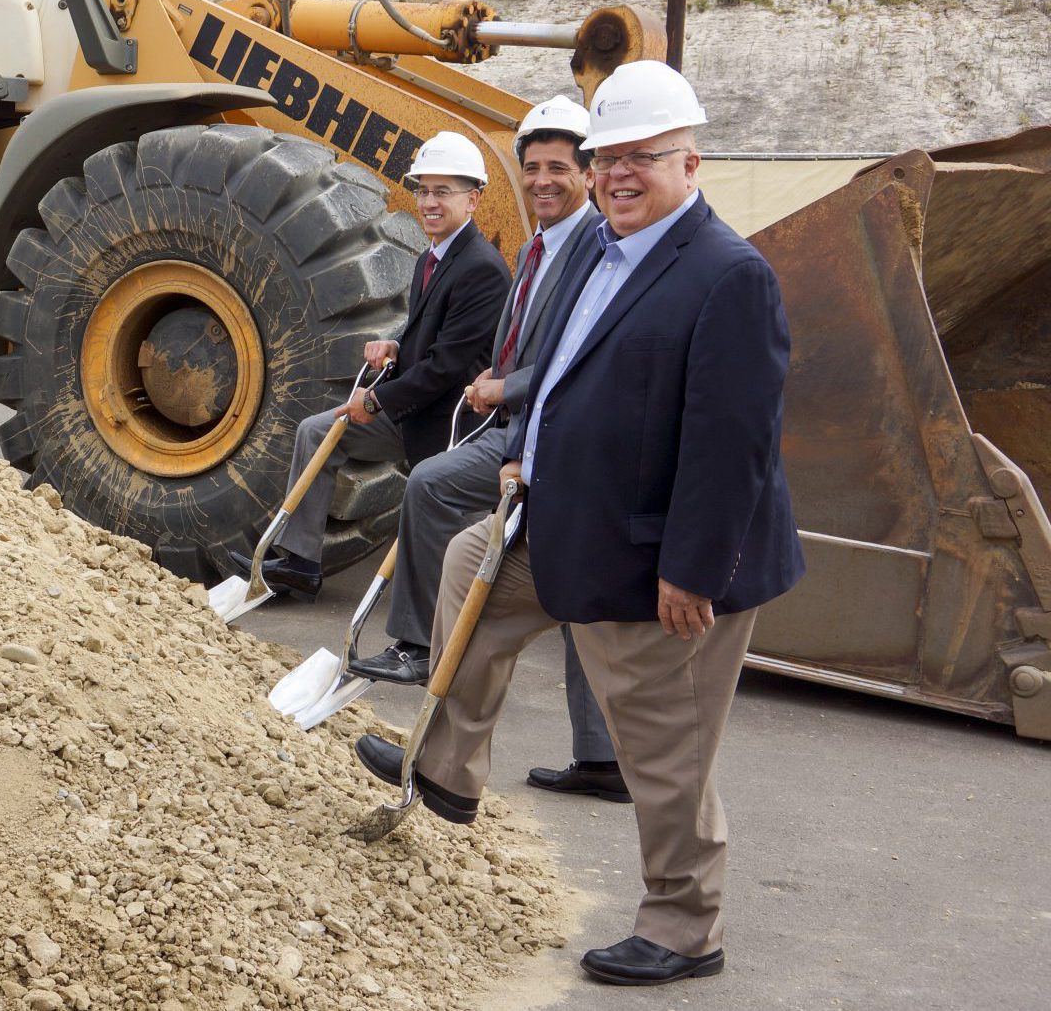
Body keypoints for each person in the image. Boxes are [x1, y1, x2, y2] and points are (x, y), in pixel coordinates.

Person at [352, 61, 804, 986]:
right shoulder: (599, 249)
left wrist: (695, 570)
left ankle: (684, 926)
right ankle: (447, 769)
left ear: (692, 162)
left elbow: (734, 441)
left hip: (660, 561)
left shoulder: (727, 276)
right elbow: (561, 367)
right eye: (612, 158)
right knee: (473, 561)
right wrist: (529, 447)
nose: (621, 174)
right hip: (562, 511)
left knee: (664, 745)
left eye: (646, 157)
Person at [355, 97, 626, 805]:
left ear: (590, 174)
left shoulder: (599, 250)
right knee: (572, 595)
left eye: (558, 168)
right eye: (532, 167)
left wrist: (505, 389)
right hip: (534, 437)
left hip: (551, 438)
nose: (542, 180)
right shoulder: (536, 246)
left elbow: (588, 358)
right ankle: (592, 758)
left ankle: (421, 667)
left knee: (442, 498)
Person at [230, 131, 510, 599]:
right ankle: (298, 562)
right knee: (316, 430)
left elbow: (446, 366)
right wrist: (396, 345)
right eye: (423, 190)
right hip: (414, 408)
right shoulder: (431, 257)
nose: (429, 202)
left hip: (446, 424)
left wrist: (377, 399)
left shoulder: (482, 268)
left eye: (443, 191)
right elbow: (428, 336)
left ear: (473, 199)